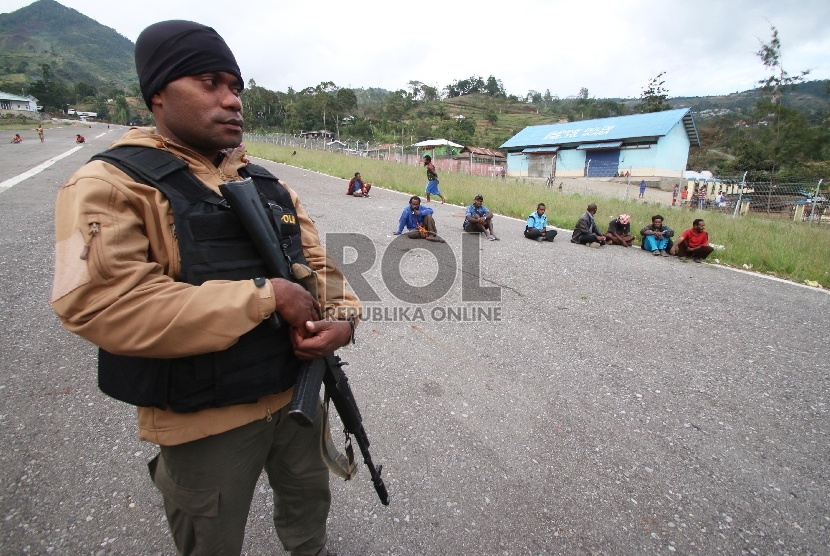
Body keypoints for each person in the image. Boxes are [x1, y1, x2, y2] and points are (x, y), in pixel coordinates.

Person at [50, 20, 360, 556]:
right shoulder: (111, 184)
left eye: (236, 87)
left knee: (308, 500)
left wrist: (344, 320)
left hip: (294, 396)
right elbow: (102, 302)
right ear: (158, 95)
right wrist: (265, 296)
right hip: (204, 418)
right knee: (210, 533)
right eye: (210, 83)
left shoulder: (265, 183)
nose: (231, 100)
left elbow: (316, 266)